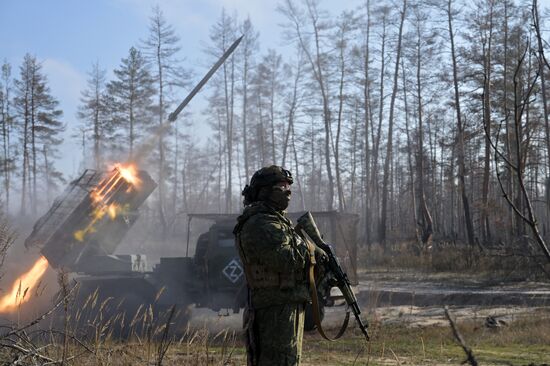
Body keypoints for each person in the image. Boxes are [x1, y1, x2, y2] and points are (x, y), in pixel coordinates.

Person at [233, 165, 311, 366]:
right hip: (274, 310)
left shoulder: (276, 220)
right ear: (264, 192)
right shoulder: (261, 223)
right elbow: (285, 260)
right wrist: (309, 248)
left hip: (284, 305)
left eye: (289, 188)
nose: (287, 193)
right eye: (281, 188)